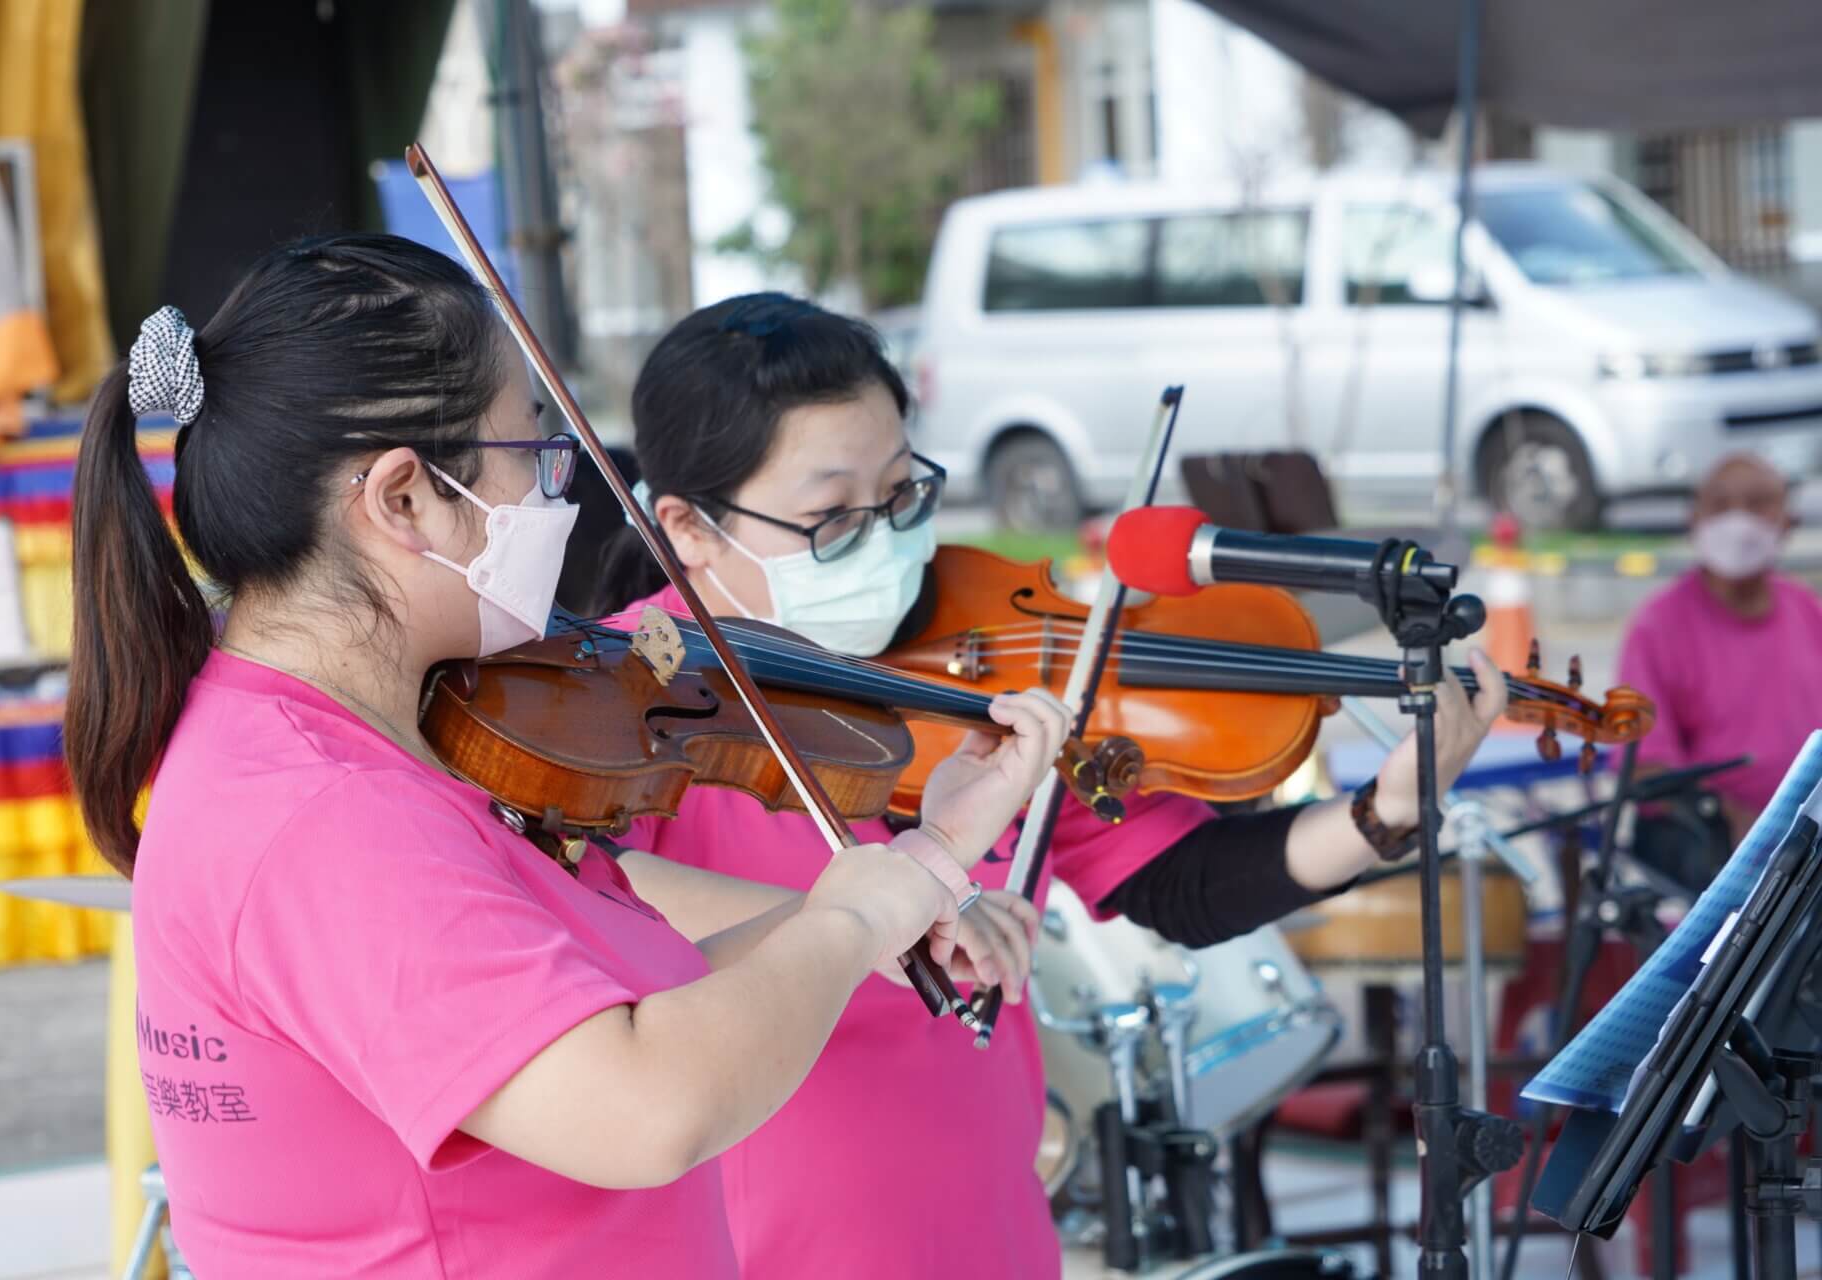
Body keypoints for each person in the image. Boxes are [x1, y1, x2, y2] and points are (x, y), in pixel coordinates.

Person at [61, 236, 1076, 1277]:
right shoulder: (318, 815)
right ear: (404, 499)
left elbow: (634, 995)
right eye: (536, 458)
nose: (563, 499)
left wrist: (916, 870)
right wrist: (858, 911)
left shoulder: (356, 747)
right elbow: (643, 1100)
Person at [588, 291, 1510, 1279]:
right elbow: (580, 904)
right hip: (749, 1241)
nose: (886, 540)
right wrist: (861, 920)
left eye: (901, 496)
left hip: (984, 1227)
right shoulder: (606, 694)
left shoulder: (973, 666)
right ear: (685, 526)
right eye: (830, 518)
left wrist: (1388, 811)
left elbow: (1179, 882)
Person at [1617, 451, 1822, 879]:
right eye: (1721, 504)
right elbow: (1646, 767)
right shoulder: (1659, 625)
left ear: (1788, 520)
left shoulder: (1806, 609)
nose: (1738, 520)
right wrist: (1735, 819)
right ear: (1695, 519)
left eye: (1757, 502)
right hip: (1713, 850)